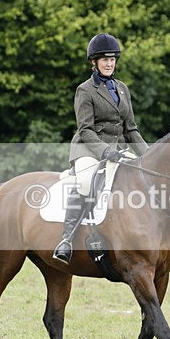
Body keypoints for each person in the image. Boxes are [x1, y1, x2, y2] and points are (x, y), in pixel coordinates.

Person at [52, 33, 150, 264]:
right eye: (104, 59)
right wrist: (105, 152)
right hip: (89, 150)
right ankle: (66, 240)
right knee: (86, 183)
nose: (109, 63)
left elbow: (131, 129)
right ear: (93, 62)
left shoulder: (122, 89)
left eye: (113, 59)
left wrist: (149, 155)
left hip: (118, 151)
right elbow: (85, 129)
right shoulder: (85, 90)